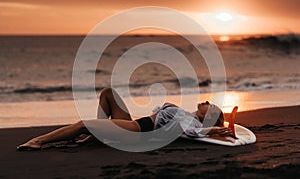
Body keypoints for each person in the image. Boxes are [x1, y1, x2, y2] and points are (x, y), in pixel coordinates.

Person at [17, 87, 232, 150]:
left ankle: (38, 141)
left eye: (209, 105)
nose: (205, 102)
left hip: (139, 131)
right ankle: (98, 135)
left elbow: (193, 133)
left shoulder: (192, 122)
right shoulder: (188, 114)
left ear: (209, 116)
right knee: (108, 92)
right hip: (137, 124)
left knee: (83, 125)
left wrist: (213, 130)